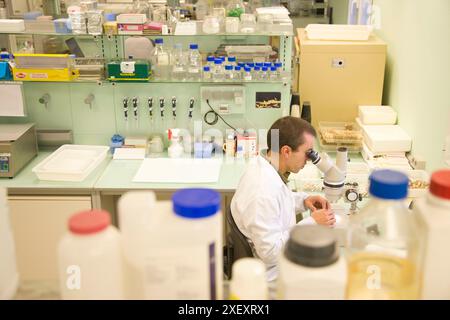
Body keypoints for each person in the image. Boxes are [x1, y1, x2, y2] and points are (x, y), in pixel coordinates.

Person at [230, 116, 335, 281]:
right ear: (286, 151)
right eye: (307, 153)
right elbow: (270, 253)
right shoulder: (262, 191)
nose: (309, 160)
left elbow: (277, 202)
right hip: (273, 276)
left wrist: (303, 201)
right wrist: (311, 223)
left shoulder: (263, 164)